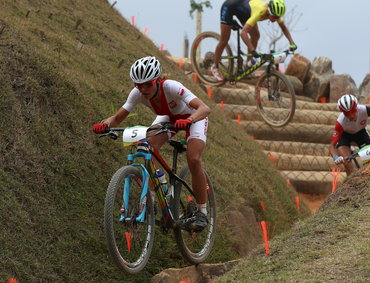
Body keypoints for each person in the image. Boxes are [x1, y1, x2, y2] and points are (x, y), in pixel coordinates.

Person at [92, 56, 211, 232]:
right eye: (138, 85)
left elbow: (205, 108)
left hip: (193, 117)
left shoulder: (171, 86)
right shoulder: (137, 94)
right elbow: (117, 118)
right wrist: (105, 125)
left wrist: (190, 120)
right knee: (148, 145)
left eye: (148, 84)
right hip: (168, 118)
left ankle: (202, 212)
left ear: (158, 80)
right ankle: (158, 188)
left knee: (193, 159)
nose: (143, 89)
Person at [210, 0, 297, 81]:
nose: (275, 19)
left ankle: (247, 65)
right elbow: (243, 33)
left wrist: (292, 42)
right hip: (229, 7)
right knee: (224, 40)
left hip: (245, 11)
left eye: (277, 17)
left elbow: (284, 28)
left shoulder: (275, 12)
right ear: (269, 11)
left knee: (255, 35)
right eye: (274, 17)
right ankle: (215, 67)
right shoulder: (260, 12)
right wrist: (252, 50)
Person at [329, 94, 370, 176]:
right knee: (348, 164)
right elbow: (332, 145)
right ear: (343, 113)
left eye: (353, 111)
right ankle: (351, 186)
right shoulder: (340, 122)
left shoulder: (364, 110)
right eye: (347, 113)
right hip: (345, 136)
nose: (351, 115)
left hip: (361, 133)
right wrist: (336, 158)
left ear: (357, 107)